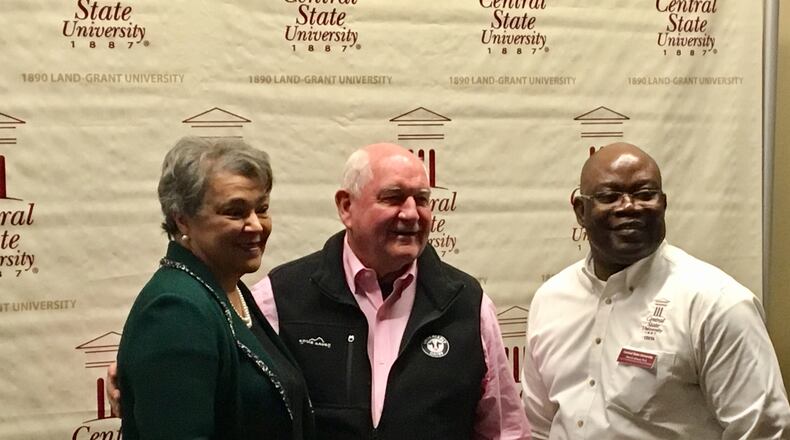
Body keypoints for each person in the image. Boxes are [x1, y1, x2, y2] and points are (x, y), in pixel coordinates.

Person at [251, 143, 531, 439]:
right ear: (346, 206)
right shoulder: (279, 298)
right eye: (394, 197)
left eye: (421, 200)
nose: (411, 214)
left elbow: (505, 432)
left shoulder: (468, 304)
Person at [521, 142, 790, 439]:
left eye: (645, 194)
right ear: (580, 211)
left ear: (663, 204)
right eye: (609, 196)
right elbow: (539, 427)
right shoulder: (550, 299)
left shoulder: (717, 303)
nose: (629, 206)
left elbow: (762, 431)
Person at [116, 136, 314, 440]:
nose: (256, 226)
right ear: (182, 219)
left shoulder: (228, 289)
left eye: (261, 209)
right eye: (235, 212)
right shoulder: (175, 310)